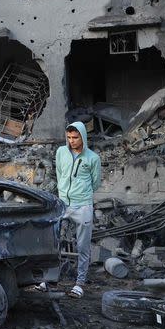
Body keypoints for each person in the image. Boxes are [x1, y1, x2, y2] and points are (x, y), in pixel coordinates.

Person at [55, 121, 101, 298]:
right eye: (69, 137)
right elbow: (60, 173)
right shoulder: (60, 152)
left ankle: (80, 283)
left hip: (83, 206)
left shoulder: (93, 158)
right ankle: (50, 279)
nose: (71, 141)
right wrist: (63, 192)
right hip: (63, 204)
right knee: (54, 241)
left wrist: (81, 193)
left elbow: (95, 183)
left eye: (75, 137)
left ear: (83, 137)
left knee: (82, 246)